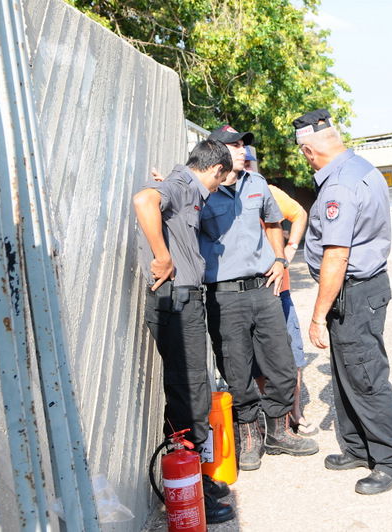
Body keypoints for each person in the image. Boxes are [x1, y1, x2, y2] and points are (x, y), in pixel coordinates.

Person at [294, 109, 392, 495]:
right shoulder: (362, 167)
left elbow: (336, 256)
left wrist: (317, 316)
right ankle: (359, 447)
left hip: (354, 292)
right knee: (347, 370)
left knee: (365, 376)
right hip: (364, 289)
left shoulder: (339, 187)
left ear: (309, 151)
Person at [200, 125, 318, 471]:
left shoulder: (257, 184)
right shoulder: (203, 190)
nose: (241, 150)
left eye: (242, 145)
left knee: (282, 365)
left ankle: (280, 432)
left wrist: (280, 260)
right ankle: (250, 436)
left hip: (264, 290)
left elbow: (272, 223)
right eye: (233, 145)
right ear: (215, 151)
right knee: (237, 371)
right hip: (224, 296)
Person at [133, 140, 235, 524]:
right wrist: (162, 255)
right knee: (188, 392)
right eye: (219, 181)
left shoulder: (185, 186)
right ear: (215, 171)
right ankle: (185, 486)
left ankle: (191, 478)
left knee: (191, 389)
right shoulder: (183, 184)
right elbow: (144, 201)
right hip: (176, 302)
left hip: (185, 301)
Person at [244, 148, 318, 436]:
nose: (247, 167)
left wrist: (290, 247)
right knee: (258, 359)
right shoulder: (222, 195)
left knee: (292, 356)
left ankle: (294, 414)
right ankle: (272, 415)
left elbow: (299, 213)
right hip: (248, 293)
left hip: (279, 290)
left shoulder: (268, 191)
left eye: (251, 162)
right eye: (242, 162)